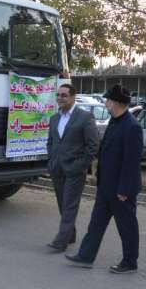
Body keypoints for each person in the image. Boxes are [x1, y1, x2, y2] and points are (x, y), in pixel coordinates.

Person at [65, 84, 143, 273]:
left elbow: (131, 162)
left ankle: (130, 262)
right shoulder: (114, 121)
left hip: (121, 190)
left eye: (108, 100)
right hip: (106, 186)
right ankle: (85, 256)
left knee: (127, 227)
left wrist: (124, 190)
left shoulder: (132, 127)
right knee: (96, 223)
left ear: (116, 103)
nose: (105, 102)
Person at [46, 84, 99, 253]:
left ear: (73, 97)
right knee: (62, 203)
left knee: (69, 205)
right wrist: (51, 160)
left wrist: (80, 165)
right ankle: (70, 234)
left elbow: (93, 146)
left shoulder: (85, 117)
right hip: (57, 169)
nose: (60, 98)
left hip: (75, 170)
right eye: (58, 95)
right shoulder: (54, 118)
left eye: (64, 95)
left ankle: (60, 241)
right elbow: (51, 142)